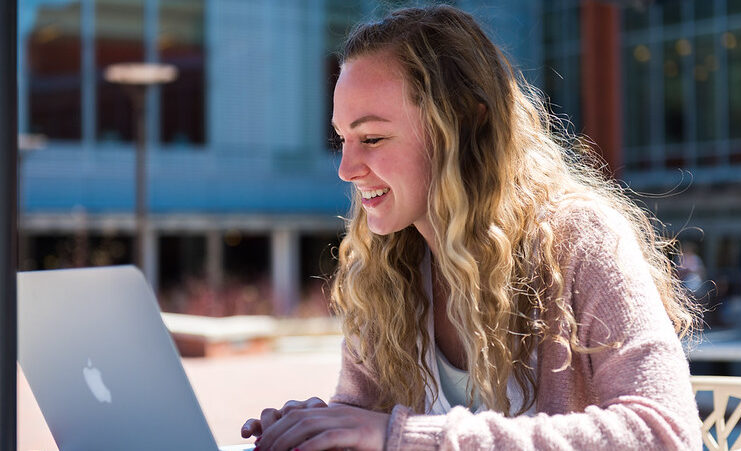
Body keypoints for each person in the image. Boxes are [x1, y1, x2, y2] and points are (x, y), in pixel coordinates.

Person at [241, 5, 702, 450]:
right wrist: (317, 429)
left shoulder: (582, 240)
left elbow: (665, 434)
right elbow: (366, 417)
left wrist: (402, 438)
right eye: (343, 139)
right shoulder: (385, 271)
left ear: (462, 123)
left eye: (373, 138)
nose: (346, 168)